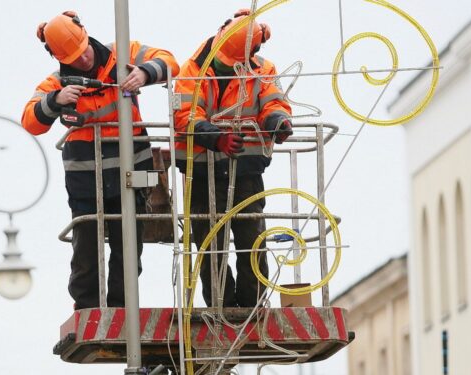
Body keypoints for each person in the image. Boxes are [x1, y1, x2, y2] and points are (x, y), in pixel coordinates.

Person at [22, 11, 180, 310]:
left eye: (83, 52)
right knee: (86, 245)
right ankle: (88, 307)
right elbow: (30, 121)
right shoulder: (56, 83)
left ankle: (123, 308)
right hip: (86, 178)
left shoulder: (124, 54)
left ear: (87, 37)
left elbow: (171, 62)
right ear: (58, 57)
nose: (82, 61)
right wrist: (55, 101)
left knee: (128, 243)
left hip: (130, 170)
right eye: (73, 57)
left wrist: (145, 73)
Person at [173, 9, 293, 308]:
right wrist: (217, 138)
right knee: (209, 245)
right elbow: (185, 116)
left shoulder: (261, 69)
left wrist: (278, 122)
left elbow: (272, 101)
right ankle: (221, 306)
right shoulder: (191, 72)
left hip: (245, 170)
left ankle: (252, 306)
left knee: (252, 240)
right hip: (200, 174)